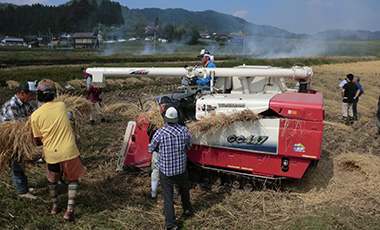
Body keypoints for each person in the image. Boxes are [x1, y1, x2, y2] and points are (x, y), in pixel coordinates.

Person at [30, 80, 85, 221]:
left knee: (52, 181)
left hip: (51, 153)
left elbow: (38, 139)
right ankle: (69, 210)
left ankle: (55, 206)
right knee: (73, 180)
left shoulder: (35, 116)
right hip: (69, 151)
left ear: (38, 96)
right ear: (53, 94)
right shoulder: (61, 106)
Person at [148, 107, 192, 230]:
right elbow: (188, 146)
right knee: (184, 189)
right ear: (177, 118)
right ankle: (187, 209)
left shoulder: (160, 133)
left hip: (166, 171)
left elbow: (151, 148)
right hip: (181, 168)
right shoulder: (184, 130)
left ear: (166, 119)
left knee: (168, 197)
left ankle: (171, 224)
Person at [0, 81, 37, 199]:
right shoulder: (11, 105)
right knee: (17, 164)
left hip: (19, 139)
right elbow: (19, 125)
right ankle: (22, 192)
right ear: (22, 93)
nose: (33, 98)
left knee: (21, 162)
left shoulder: (26, 103)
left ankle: (23, 186)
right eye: (31, 95)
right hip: (10, 141)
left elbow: (35, 114)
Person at [147, 96, 172, 198]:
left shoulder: (156, 119)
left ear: (162, 107)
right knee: (171, 171)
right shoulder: (174, 117)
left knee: (156, 170)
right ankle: (171, 193)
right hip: (171, 151)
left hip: (158, 151)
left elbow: (149, 132)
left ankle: (153, 194)